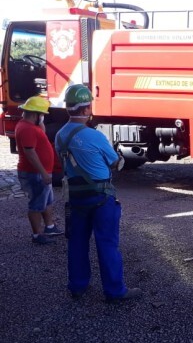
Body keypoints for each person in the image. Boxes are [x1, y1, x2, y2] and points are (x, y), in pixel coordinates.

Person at [55, 85, 141, 301]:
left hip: (76, 197)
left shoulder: (59, 136)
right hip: (101, 197)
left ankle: (77, 286)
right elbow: (115, 162)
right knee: (107, 244)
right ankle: (114, 291)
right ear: (86, 109)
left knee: (77, 242)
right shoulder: (95, 136)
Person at [15, 96, 63, 244]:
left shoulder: (30, 126)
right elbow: (30, 152)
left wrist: (40, 125)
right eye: (42, 115)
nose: (43, 117)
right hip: (35, 174)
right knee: (36, 204)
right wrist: (43, 172)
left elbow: (40, 137)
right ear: (35, 114)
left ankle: (50, 226)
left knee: (46, 201)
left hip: (39, 173)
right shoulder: (27, 129)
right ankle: (37, 235)